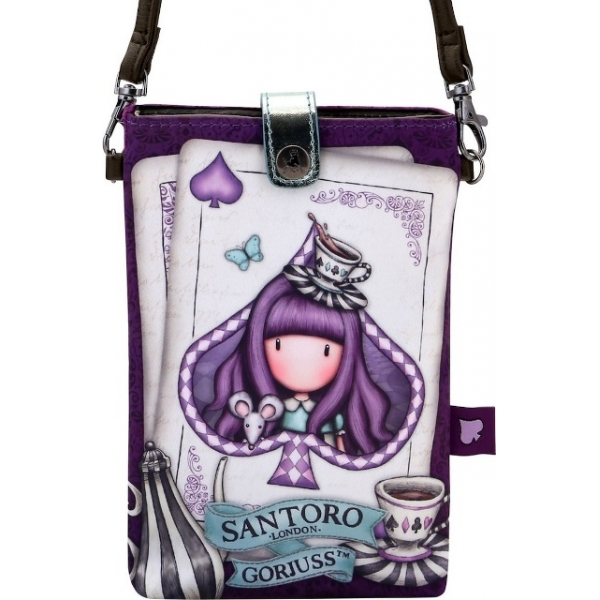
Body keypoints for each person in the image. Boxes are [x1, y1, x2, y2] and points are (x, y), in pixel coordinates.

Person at [205, 274, 393, 455]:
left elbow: (336, 445)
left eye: (326, 351)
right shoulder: (275, 411)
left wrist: (339, 461)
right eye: (279, 346)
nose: (302, 361)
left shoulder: (329, 415)